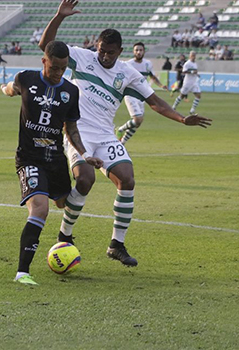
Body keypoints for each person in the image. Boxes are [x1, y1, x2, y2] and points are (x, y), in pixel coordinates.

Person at [39, 0, 212, 268]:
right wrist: (59, 16)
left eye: (110, 53)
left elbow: (155, 101)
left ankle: (116, 244)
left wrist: (181, 118)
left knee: (127, 179)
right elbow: (47, 48)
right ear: (96, 47)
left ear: (120, 51)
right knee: (84, 181)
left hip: (106, 135)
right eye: (101, 51)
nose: (104, 57)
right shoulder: (82, 57)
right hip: (79, 132)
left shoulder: (128, 73)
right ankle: (65, 235)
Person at [0, 40, 103, 285]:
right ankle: (22, 273)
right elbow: (12, 89)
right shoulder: (26, 78)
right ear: (44, 61)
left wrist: (84, 154)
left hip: (55, 159)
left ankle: (64, 237)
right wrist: (5, 88)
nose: (58, 73)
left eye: (63, 68)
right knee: (40, 209)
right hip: (29, 158)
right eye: (54, 67)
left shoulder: (71, 91)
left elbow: (72, 128)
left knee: (62, 203)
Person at [116, 42, 168, 144]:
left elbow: (153, 77)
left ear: (144, 51)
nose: (139, 52)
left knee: (138, 123)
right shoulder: (129, 64)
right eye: (136, 50)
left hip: (142, 96)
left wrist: (161, 85)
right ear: (133, 52)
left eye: (140, 50)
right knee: (138, 119)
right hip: (130, 95)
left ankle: (122, 143)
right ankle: (120, 129)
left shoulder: (148, 64)